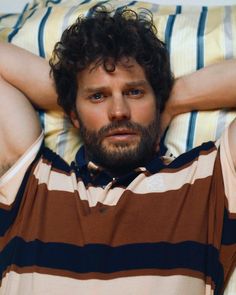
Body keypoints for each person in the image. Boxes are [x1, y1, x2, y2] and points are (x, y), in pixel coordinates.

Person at [0, 5, 235, 295]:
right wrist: (70, 93)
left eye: (135, 92)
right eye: (98, 96)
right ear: (72, 115)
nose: (119, 111)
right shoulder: (31, 181)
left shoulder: (208, 178)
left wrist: (174, 98)